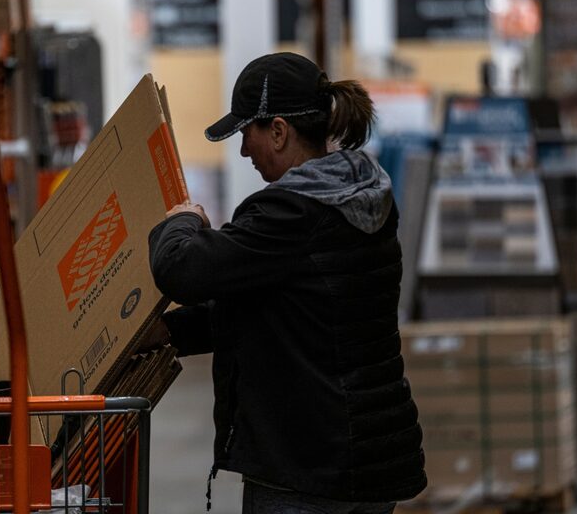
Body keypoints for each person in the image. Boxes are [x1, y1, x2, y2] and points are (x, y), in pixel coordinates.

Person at [147, 52, 426, 514]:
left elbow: (182, 270)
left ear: (278, 131)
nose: (242, 151)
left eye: (246, 134)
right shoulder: (362, 195)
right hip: (370, 457)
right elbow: (280, 311)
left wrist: (183, 220)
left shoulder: (291, 212)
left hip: (310, 465)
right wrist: (172, 333)